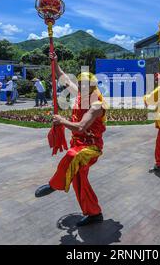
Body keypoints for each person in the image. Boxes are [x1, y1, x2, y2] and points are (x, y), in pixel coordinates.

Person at [35, 53, 107, 227]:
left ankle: (55, 184)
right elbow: (63, 77)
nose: (80, 87)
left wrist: (62, 121)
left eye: (85, 85)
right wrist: (55, 62)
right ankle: (94, 213)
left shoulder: (97, 105)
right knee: (79, 179)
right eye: (80, 84)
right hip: (78, 143)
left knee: (72, 155)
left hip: (91, 147)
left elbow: (81, 127)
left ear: (92, 87)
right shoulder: (81, 95)